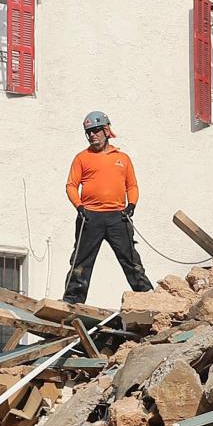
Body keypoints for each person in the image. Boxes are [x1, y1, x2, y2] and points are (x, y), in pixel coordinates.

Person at [63, 111, 151, 306]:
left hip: (117, 217)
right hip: (89, 217)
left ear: (106, 130)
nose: (93, 135)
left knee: (130, 259)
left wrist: (132, 205)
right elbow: (71, 185)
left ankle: (147, 298)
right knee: (81, 261)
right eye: (89, 132)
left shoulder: (123, 158)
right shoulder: (81, 158)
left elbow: (132, 185)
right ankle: (72, 302)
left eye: (96, 130)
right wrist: (79, 206)